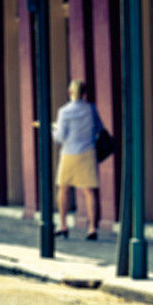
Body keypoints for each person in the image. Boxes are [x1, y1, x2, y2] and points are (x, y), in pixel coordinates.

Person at [52, 79, 102, 240]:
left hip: (69, 153)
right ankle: (92, 227)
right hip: (87, 152)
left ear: (70, 93)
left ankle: (63, 224)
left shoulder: (64, 112)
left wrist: (52, 130)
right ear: (84, 93)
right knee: (89, 191)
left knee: (63, 188)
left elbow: (59, 137)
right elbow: (99, 128)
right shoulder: (91, 109)